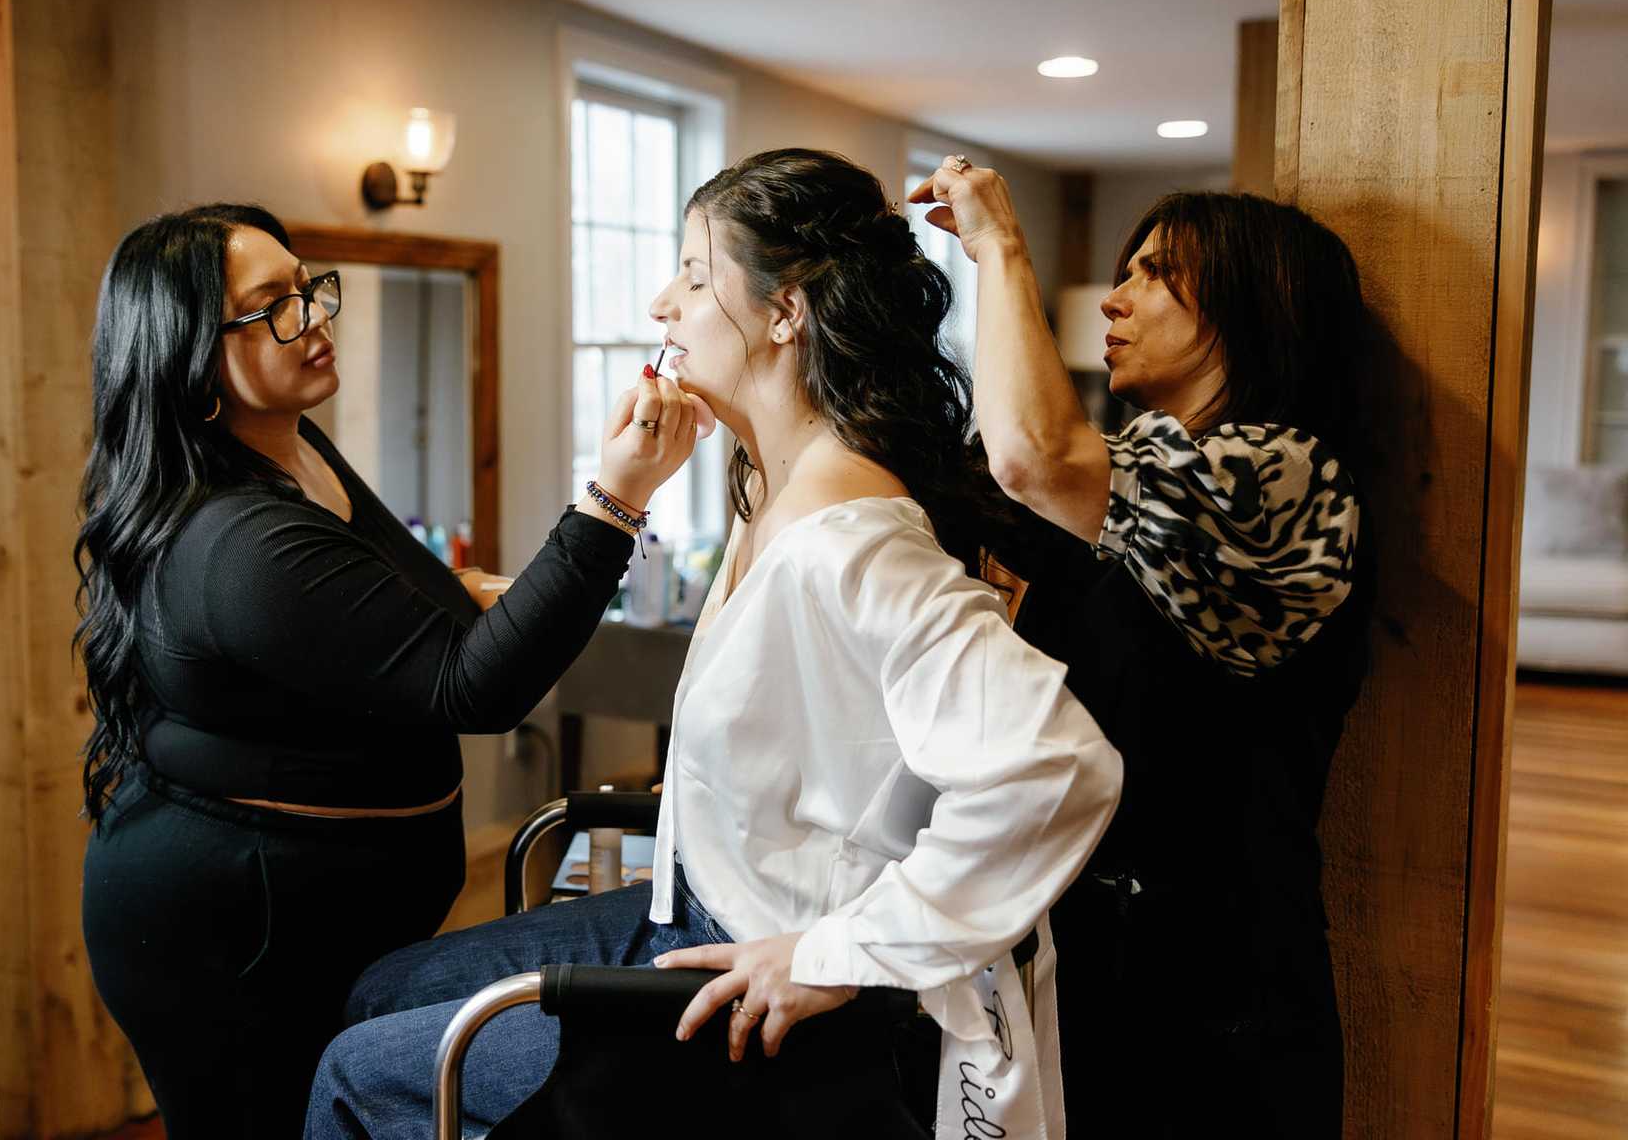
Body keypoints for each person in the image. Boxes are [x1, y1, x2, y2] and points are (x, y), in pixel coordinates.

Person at [305, 150, 1123, 1140]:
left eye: (694, 274)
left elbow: (1059, 764)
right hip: (688, 896)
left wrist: (835, 952)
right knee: (383, 987)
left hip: (748, 959)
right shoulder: (768, 485)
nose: (662, 302)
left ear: (788, 312)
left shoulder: (849, 540)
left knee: (360, 1072)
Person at [73, 203, 703, 1137]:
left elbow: (373, 590)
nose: (317, 316)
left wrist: (469, 590)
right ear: (193, 352)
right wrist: (616, 498)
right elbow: (473, 689)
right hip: (228, 935)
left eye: (307, 286)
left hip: (332, 914)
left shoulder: (295, 446)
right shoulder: (237, 540)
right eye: (274, 306)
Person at [913, 158, 1374, 1137]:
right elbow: (978, 484)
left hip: (1220, 994)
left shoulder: (1287, 481)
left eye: (1155, 272)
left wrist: (1002, 243)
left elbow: (1033, 455)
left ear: (1254, 303)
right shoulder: (1126, 493)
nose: (1114, 300)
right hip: (1093, 960)